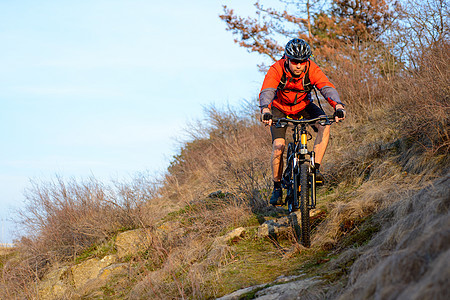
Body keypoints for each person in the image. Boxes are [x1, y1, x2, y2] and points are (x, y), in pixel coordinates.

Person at [259, 38, 346, 206]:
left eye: (302, 62)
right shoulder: (277, 69)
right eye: (295, 61)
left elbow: (326, 87)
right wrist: (266, 110)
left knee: (325, 125)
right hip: (280, 109)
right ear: (287, 59)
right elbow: (267, 90)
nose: (299, 65)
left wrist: (338, 106)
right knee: (279, 145)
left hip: (303, 107)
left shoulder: (311, 69)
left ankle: (315, 169)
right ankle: (277, 187)